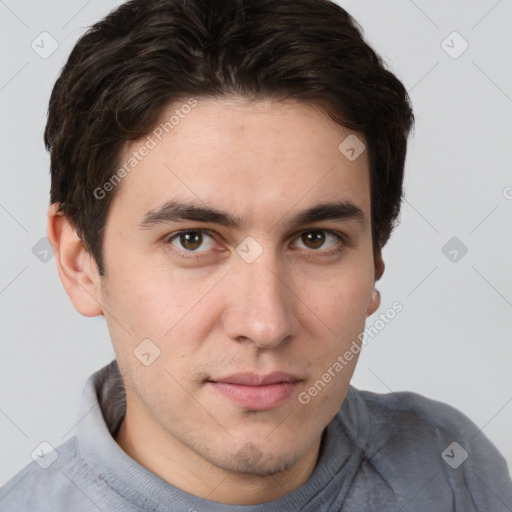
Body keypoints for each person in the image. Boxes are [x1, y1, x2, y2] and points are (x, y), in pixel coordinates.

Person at [1, 0, 511, 510]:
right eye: (192, 240)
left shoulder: (452, 470)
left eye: (316, 239)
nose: (266, 323)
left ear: (375, 259)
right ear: (79, 262)